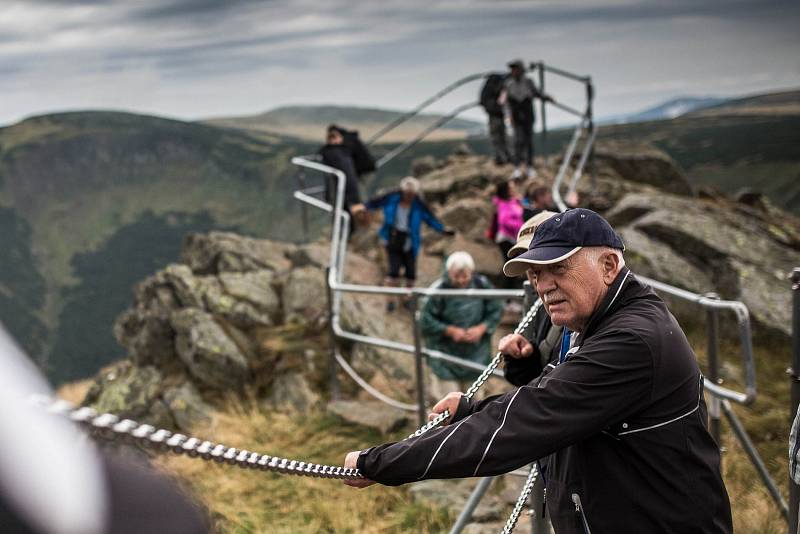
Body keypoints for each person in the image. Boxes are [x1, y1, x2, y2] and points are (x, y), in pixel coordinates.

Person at [343, 208, 732, 533]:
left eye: (557, 267)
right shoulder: (597, 319)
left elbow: (529, 419)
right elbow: (551, 392)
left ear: (609, 265)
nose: (542, 285)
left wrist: (381, 462)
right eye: (534, 274)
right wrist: (472, 410)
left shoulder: (631, 341)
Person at [364, 177, 452, 311]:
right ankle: (391, 300)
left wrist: (442, 229)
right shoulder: (392, 198)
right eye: (407, 194)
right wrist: (363, 208)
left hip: (410, 241)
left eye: (412, 194)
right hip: (393, 238)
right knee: (393, 272)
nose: (409, 197)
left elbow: (430, 219)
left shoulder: (419, 205)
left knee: (410, 273)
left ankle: (407, 298)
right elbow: (374, 203)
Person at [420, 251, 503, 392]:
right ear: (448, 272)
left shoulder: (481, 285)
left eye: (464, 276)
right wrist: (448, 330)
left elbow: (496, 309)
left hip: (476, 353)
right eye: (456, 276)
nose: (460, 280)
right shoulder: (438, 290)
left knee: (474, 402)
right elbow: (425, 320)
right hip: (445, 357)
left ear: (471, 272)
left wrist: (482, 328)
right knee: (448, 403)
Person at [499, 59, 553, 180]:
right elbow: (505, 101)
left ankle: (529, 167)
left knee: (528, 141)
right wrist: (508, 116)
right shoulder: (508, 84)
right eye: (512, 69)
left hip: (528, 115)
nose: (514, 71)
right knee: (518, 141)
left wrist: (547, 97)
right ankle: (517, 167)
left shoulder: (528, 82)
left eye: (516, 69)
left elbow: (538, 93)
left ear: (521, 70)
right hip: (516, 117)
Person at [318, 125, 368, 218]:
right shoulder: (347, 148)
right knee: (350, 213)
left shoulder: (331, 152)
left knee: (345, 214)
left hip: (344, 189)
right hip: (351, 187)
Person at [487, 181, 524, 263]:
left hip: (513, 237)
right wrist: (520, 226)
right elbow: (504, 221)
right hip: (507, 239)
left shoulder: (513, 201)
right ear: (506, 191)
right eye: (511, 188)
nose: (514, 189)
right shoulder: (503, 204)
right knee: (511, 264)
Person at [479, 73, 510, 165]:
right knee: (499, 137)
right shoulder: (499, 88)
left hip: (495, 115)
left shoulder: (489, 89)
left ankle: (501, 157)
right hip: (496, 115)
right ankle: (502, 157)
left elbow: (482, 101)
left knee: (498, 137)